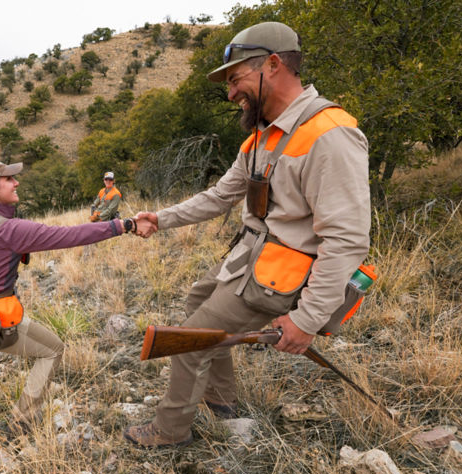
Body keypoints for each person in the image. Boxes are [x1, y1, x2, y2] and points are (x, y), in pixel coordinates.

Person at [124, 21, 371, 448]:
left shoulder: (330, 134)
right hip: (253, 260)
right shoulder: (260, 138)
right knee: (197, 301)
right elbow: (220, 196)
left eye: (236, 78)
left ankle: (169, 432)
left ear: (273, 65)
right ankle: (222, 402)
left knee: (186, 344)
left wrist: (307, 319)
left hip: (280, 276)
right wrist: (159, 218)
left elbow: (347, 240)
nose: (231, 92)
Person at [0, 158, 144, 445]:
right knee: (52, 350)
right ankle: (20, 421)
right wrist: (124, 225)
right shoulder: (8, 229)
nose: (16, 182)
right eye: (8, 180)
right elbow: (69, 236)